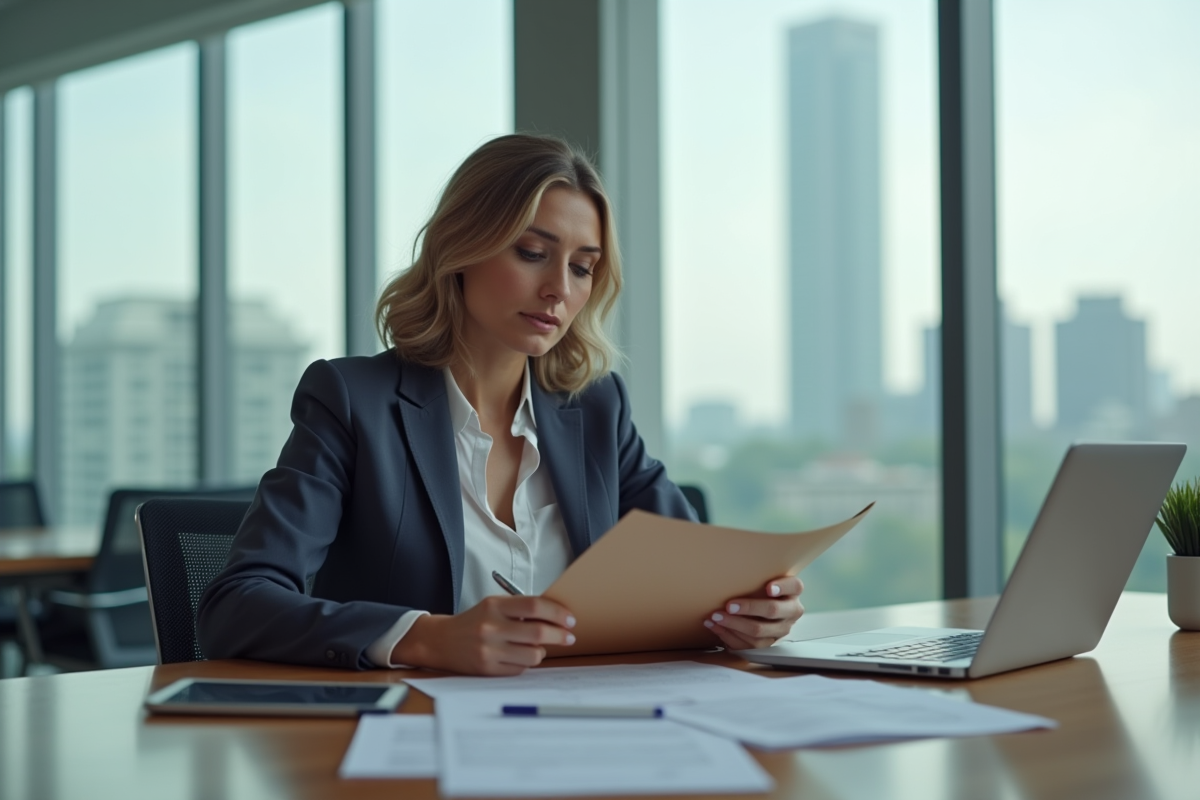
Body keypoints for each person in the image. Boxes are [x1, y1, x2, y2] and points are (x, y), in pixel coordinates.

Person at [197, 134, 804, 675]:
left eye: (583, 268)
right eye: (532, 253)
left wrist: (750, 611)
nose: (559, 291)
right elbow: (238, 604)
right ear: (462, 248)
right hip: (407, 739)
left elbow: (696, 576)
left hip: (589, 728)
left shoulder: (596, 408)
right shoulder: (352, 401)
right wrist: (428, 638)